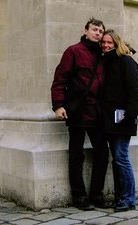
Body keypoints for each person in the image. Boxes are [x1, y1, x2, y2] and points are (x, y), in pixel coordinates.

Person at [51, 18, 109, 210]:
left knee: (102, 153)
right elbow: (60, 79)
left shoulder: (103, 53)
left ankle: (97, 195)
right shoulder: (73, 51)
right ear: (85, 31)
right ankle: (79, 197)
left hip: (98, 112)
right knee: (76, 155)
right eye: (94, 29)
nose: (98, 33)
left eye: (101, 31)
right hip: (78, 111)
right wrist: (58, 105)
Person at [101, 29, 138, 212]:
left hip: (123, 119)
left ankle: (128, 199)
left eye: (110, 42)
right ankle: (120, 197)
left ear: (117, 43)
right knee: (117, 159)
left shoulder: (127, 61)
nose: (106, 45)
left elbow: (134, 91)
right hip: (109, 120)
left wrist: (130, 117)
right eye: (103, 42)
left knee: (121, 158)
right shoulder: (107, 63)